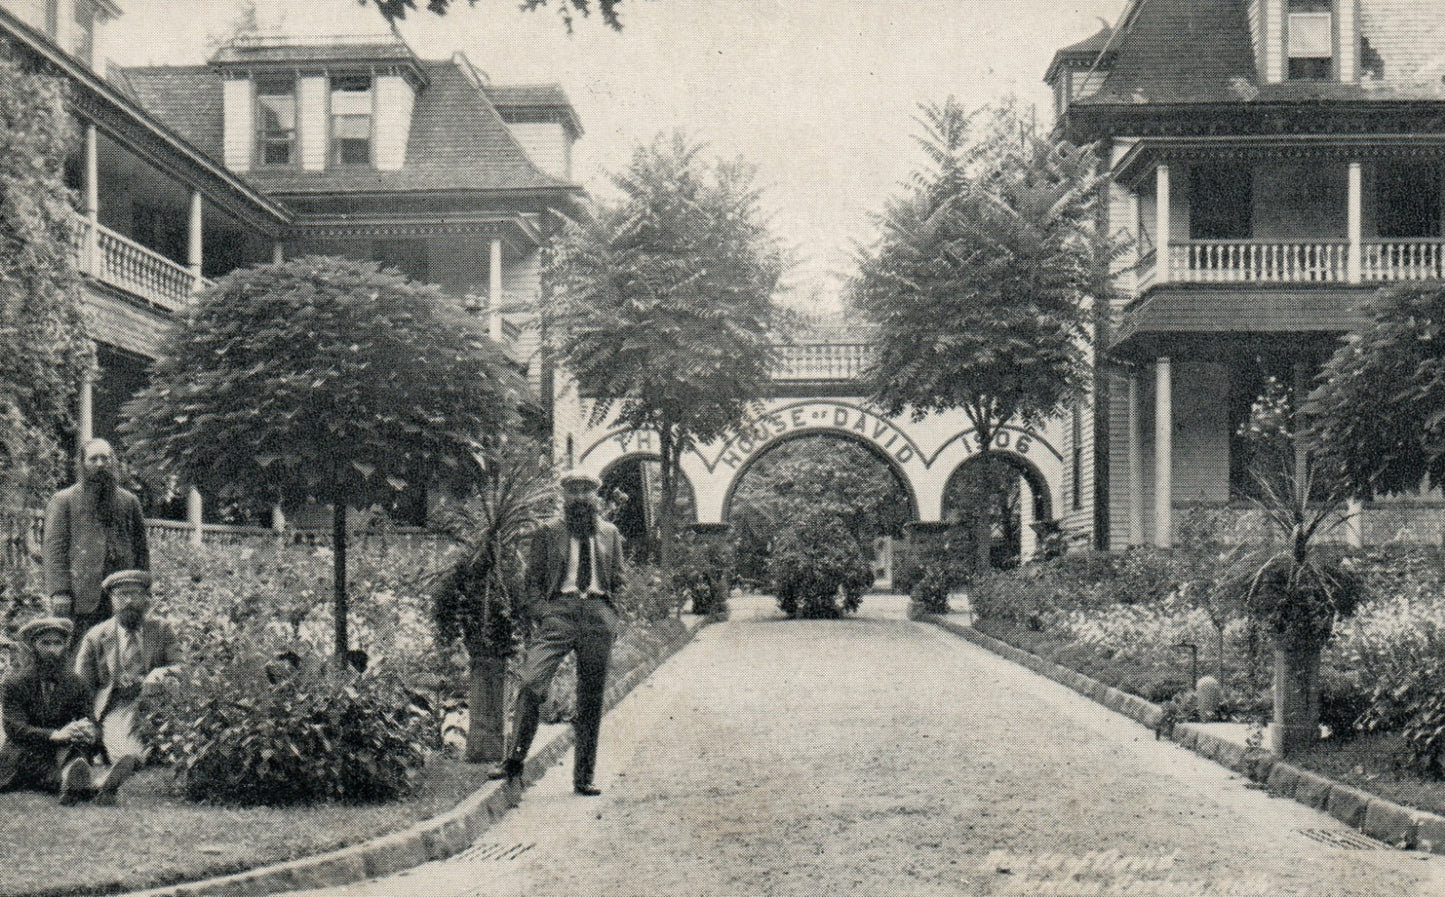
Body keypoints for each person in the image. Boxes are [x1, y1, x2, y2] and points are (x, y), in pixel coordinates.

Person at [500, 470, 625, 796]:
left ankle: (584, 777)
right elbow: (532, 584)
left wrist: (612, 614)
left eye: (587, 491)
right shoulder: (547, 533)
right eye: (574, 491)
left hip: (598, 616)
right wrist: (545, 614)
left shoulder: (610, 534)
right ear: (564, 496)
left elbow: (618, 579)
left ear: (596, 497)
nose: (581, 497)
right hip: (559, 615)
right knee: (530, 682)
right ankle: (514, 759)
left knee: (591, 698)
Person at [0, 616, 136, 805]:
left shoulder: (75, 683)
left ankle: (76, 783)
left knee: (78, 750)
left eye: (58, 644)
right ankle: (94, 785)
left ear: (65, 647)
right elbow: (14, 728)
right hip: (27, 749)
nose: (52, 650)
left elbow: (91, 721)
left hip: (62, 749)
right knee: (34, 761)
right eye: (45, 644)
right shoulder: (14, 683)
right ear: (32, 647)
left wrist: (90, 733)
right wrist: (55, 735)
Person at [43, 439, 150, 637]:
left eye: (105, 458)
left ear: (112, 462)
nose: (100, 464)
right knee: (81, 659)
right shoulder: (63, 500)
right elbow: (54, 550)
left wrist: (143, 589)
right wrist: (59, 592)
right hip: (80, 596)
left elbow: (141, 550)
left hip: (122, 596)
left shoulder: (129, 501)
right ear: (83, 463)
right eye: (94, 459)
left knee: (122, 658)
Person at [73, 570, 180, 767]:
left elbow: (182, 666)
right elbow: (81, 687)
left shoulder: (162, 630)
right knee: (130, 757)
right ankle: (112, 746)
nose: (129, 601)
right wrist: (91, 724)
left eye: (136, 594)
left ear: (147, 599)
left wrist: (160, 673)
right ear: (111, 600)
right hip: (117, 706)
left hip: (156, 704)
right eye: (122, 595)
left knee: (176, 749)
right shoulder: (96, 636)